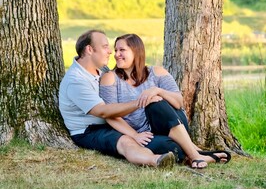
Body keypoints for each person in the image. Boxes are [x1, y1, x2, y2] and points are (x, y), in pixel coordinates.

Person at [99, 33, 231, 169]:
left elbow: (179, 103)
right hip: (145, 134)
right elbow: (110, 115)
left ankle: (195, 155)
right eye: (116, 50)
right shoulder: (110, 78)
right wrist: (135, 135)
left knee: (155, 103)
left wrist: (157, 90)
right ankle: (196, 152)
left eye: (122, 50)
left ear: (136, 51)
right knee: (173, 149)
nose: (116, 54)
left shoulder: (157, 72)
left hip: (171, 121)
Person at [58, 29, 185, 169]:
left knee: (167, 135)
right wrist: (140, 103)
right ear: (89, 49)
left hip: (112, 122)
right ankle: (156, 160)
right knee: (126, 142)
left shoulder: (102, 70)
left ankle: (189, 151)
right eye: (105, 47)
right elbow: (102, 112)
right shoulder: (76, 80)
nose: (110, 52)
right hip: (90, 130)